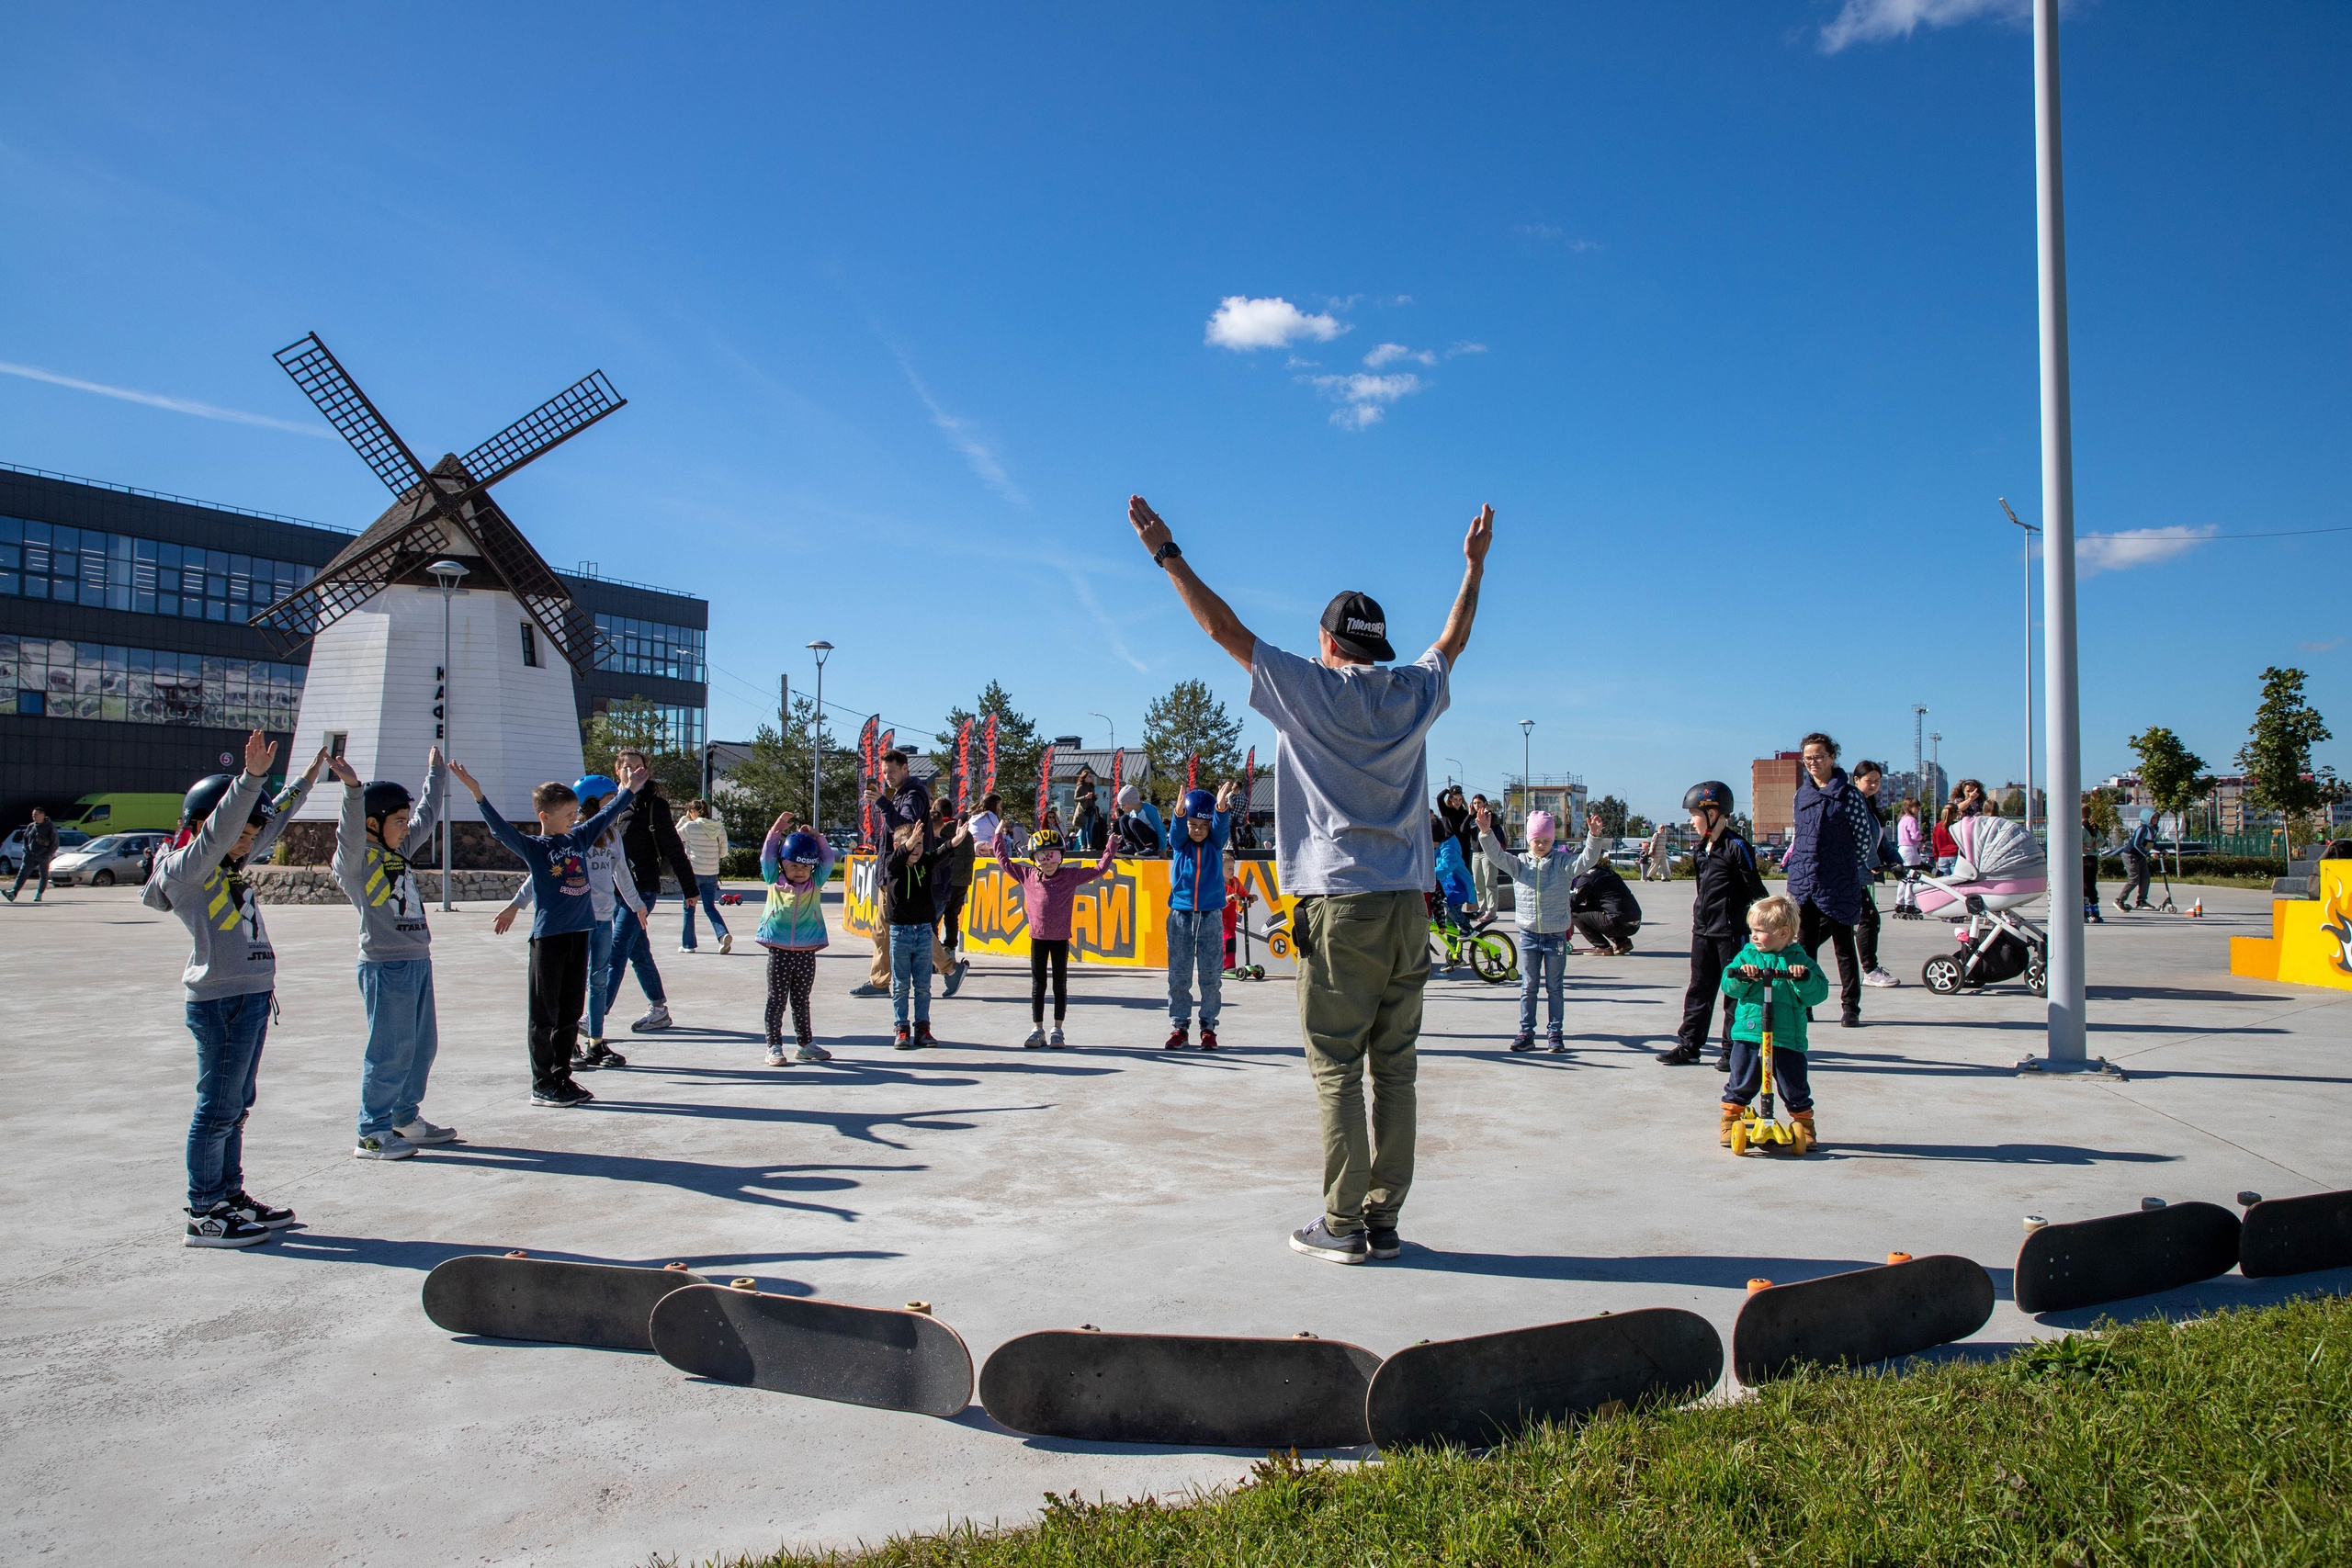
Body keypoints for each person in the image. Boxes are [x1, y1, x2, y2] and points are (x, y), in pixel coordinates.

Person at [1129, 491, 1490, 1266]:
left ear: (1327, 643)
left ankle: (1342, 1221)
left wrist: (1168, 555)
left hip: (1340, 901)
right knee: (1396, 1068)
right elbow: (1452, 640)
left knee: (1336, 1064)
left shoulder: (1311, 688)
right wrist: (1474, 567)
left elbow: (1224, 630)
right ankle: (1384, 1216)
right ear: (1377, 646)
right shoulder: (1411, 691)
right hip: (1406, 905)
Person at [144, 731, 322, 1247]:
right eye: (241, 834)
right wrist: (250, 780)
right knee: (217, 1107)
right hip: (219, 1000)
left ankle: (230, 1195)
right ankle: (205, 1212)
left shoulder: (228, 864)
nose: (249, 844)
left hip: (249, 996)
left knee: (237, 1104)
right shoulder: (189, 870)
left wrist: (307, 782)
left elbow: (274, 823)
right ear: (205, 828)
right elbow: (221, 830)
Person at [457, 757, 644, 1106]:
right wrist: (478, 794)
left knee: (571, 1013)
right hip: (549, 940)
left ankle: (562, 1077)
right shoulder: (537, 848)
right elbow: (501, 831)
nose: (576, 819)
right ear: (545, 817)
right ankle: (542, 1084)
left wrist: (629, 789)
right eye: (568, 815)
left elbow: (605, 816)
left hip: (580, 934)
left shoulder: (578, 838)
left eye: (576, 814)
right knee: (545, 1016)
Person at [326, 744, 458, 1161]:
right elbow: (348, 832)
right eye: (396, 822)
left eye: (404, 821)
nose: (405, 828)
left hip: (418, 961)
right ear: (371, 823)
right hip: (386, 966)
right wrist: (351, 789)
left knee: (422, 1046)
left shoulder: (397, 851)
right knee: (389, 1050)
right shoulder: (355, 860)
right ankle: (372, 1130)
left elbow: (427, 817)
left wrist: (435, 775)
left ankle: (404, 1117)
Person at [493, 773, 647, 1068]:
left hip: (603, 919)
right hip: (575, 922)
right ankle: (569, 1045)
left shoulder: (612, 836)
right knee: (570, 988)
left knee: (599, 981)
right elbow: (538, 874)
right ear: (592, 803)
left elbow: (622, 873)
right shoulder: (572, 835)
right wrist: (516, 905)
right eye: (608, 800)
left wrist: (636, 904)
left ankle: (596, 1044)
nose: (614, 805)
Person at [1658, 780, 1767, 1067]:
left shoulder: (1737, 847)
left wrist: (1765, 927)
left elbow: (1756, 890)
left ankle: (1731, 1052)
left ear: (1713, 814)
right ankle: (1689, 1046)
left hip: (1731, 932)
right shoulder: (1702, 850)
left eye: (1694, 814)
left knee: (1734, 991)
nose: (1691, 820)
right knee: (1699, 989)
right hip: (1703, 930)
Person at [1480, 804, 1605, 1051]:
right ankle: (1526, 1033)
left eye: (1546, 840)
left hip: (1555, 935)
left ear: (1552, 840)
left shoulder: (1561, 864)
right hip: (1528, 936)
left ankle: (1555, 1034)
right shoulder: (1520, 865)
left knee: (1555, 987)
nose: (1541, 845)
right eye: (1536, 840)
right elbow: (1497, 856)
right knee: (1529, 986)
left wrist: (1594, 837)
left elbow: (1586, 860)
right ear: (1529, 840)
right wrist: (1485, 832)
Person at [1715, 894, 1829, 1148]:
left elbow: (1819, 993)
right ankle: (1730, 1118)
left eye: (1760, 931)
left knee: (1794, 1085)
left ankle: (1805, 1124)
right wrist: (1742, 977)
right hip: (1751, 1033)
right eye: (1752, 930)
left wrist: (1804, 979)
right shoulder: (1747, 957)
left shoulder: (1800, 961)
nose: (1754, 936)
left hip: (1787, 1036)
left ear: (1783, 932)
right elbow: (1728, 986)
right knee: (1742, 1080)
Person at [990, 825, 1117, 1046]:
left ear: (1061, 857)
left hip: (1060, 940)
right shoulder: (1027, 875)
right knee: (1038, 985)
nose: (1048, 864)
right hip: (1037, 939)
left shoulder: (1070, 876)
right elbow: (1004, 862)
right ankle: (1037, 1028)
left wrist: (1112, 845)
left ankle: (1057, 1029)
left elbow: (1099, 869)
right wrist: (998, 837)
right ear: (1034, 859)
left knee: (1060, 985)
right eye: (1042, 859)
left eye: (1052, 858)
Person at [607, 749, 697, 1032]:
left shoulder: (653, 805)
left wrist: (689, 888)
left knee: (616, 951)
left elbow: (674, 845)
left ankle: (593, 1016)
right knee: (639, 952)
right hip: (612, 891)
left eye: (640, 767)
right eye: (628, 767)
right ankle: (659, 1009)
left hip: (642, 889)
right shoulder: (610, 806)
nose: (634, 772)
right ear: (618, 771)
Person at [1781, 732, 1868, 1029]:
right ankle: (1803, 1004)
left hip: (1838, 882)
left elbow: (1863, 840)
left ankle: (1850, 1007)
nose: (1813, 762)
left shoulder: (1850, 795)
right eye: (1808, 758)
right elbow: (1799, 838)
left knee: (1844, 946)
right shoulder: (1800, 795)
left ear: (1832, 757)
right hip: (1805, 884)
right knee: (1804, 949)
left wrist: (1847, 869)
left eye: (1818, 756)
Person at [851, 750, 933, 998]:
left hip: (900, 872)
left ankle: (879, 983)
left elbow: (904, 827)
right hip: (896, 870)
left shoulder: (912, 795)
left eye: (892, 771)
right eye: (885, 772)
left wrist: (882, 803)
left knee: (885, 930)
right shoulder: (902, 793)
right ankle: (949, 969)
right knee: (895, 928)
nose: (887, 776)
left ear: (905, 768)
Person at [883, 816, 970, 1048]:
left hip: (923, 933)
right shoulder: (893, 865)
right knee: (902, 985)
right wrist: (908, 843)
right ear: (898, 846)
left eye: (920, 844)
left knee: (923, 986)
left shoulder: (924, 864)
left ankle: (923, 1028)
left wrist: (955, 841)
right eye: (911, 843)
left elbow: (941, 853)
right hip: (900, 934)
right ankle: (901, 1028)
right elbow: (898, 859)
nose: (916, 848)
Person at [1163, 781, 1238, 1050]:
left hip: (1210, 913)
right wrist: (1180, 813)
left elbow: (1220, 830)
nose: (1197, 830)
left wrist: (1220, 808)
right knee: (1179, 973)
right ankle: (1179, 1026)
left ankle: (1208, 1027)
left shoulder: (1215, 846)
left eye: (1203, 826)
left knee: (1210, 973)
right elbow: (1174, 833)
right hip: (1181, 914)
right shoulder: (1180, 845)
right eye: (1193, 825)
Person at [757, 815, 837, 1066]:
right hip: (779, 951)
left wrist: (817, 836)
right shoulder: (774, 880)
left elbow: (829, 859)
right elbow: (766, 856)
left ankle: (805, 1044)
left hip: (806, 952)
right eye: (794, 866)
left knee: (802, 1000)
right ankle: (774, 1046)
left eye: (805, 867)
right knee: (776, 1000)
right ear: (783, 865)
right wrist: (777, 830)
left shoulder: (815, 884)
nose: (800, 871)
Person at [1850, 761, 1904, 989]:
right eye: (1868, 780)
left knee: (1828, 925)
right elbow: (1861, 839)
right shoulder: (1853, 803)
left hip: (1860, 872)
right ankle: (1870, 971)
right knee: (1869, 918)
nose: (1873, 785)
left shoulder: (1869, 805)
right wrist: (1873, 864)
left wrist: (1897, 861)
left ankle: (1794, 958)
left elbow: (1880, 840)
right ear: (1856, 780)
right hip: (1852, 872)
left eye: (1877, 781)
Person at [677, 798, 731, 954]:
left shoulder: (690, 826)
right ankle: (722, 935)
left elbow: (674, 837)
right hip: (712, 873)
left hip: (693, 873)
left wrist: (683, 820)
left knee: (689, 908)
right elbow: (724, 852)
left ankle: (688, 945)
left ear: (692, 812)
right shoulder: (718, 827)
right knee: (710, 907)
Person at [1571, 840, 1644, 956]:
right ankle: (1622, 942)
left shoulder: (1587, 877)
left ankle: (1602, 946)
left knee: (1574, 911)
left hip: (1618, 923)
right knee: (1595, 908)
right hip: (1635, 922)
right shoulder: (1606, 871)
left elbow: (1572, 902)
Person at [933, 801, 975, 997]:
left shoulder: (944, 830)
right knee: (952, 917)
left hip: (947, 880)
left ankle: (935, 958)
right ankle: (949, 949)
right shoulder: (967, 832)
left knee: (934, 919)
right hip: (963, 881)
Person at [4, 806, 58, 903]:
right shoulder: (31, 826)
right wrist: (25, 850)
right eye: (33, 814)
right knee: (23, 873)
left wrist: (48, 854)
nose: (33, 816)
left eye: (35, 814)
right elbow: (25, 839)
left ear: (42, 815)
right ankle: (13, 893)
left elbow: (55, 843)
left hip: (43, 856)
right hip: (30, 855)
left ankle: (39, 893)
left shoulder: (50, 826)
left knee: (43, 875)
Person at [2120, 807, 2157, 913]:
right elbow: (2136, 843)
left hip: (2140, 856)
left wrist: (2162, 850)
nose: (2155, 820)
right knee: (2134, 880)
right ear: (2147, 818)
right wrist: (2147, 854)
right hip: (2131, 855)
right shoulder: (2143, 829)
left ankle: (2141, 901)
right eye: (2153, 817)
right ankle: (2120, 900)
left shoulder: (2152, 830)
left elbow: (2152, 843)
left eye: (2156, 817)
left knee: (2145, 878)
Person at [1112, 784, 1164, 855]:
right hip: (1140, 844)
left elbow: (1160, 830)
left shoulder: (1148, 809)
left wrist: (1163, 850)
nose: (1121, 808)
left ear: (1131, 802)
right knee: (1123, 819)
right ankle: (1130, 847)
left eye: (1123, 805)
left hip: (1154, 843)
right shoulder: (1131, 813)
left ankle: (1150, 848)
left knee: (1133, 821)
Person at [2081, 802, 2106, 923]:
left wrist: (2082, 846)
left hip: (2083, 859)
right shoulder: (2094, 826)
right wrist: (2094, 847)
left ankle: (2084, 912)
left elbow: (2075, 842)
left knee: (2084, 887)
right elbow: (2102, 840)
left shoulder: (2081, 827)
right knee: (2091, 886)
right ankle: (2095, 912)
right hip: (2093, 859)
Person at [1070, 766, 1101, 853]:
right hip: (1083, 810)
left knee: (1090, 829)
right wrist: (1085, 797)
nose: (1091, 778)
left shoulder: (1092, 787)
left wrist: (1094, 798)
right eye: (1089, 776)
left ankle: (1089, 845)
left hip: (1091, 809)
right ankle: (1082, 845)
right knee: (1084, 828)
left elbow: (1092, 800)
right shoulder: (1080, 787)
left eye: (1091, 776)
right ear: (1084, 777)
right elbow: (1075, 798)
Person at [966, 792, 1004, 856]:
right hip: (985, 846)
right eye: (999, 805)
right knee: (1007, 842)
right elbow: (998, 835)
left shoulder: (974, 816)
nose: (1000, 808)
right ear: (995, 804)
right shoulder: (991, 816)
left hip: (972, 844)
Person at [1895, 797, 1924, 870]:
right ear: (1910, 807)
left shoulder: (1902, 819)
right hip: (1910, 849)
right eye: (1917, 807)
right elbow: (1915, 836)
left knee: (1906, 872)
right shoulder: (1911, 820)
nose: (1918, 809)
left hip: (1902, 848)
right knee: (1913, 872)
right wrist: (1922, 836)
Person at [1932, 804, 1961, 875]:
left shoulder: (1937, 827)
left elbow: (1935, 844)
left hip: (1942, 856)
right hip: (1954, 855)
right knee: (1956, 879)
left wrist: (1936, 858)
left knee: (1944, 881)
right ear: (1953, 813)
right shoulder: (1957, 825)